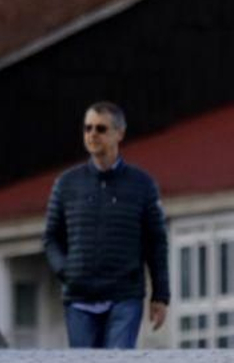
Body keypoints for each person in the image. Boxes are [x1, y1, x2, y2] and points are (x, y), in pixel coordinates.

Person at [42, 102, 170, 349]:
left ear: (119, 134)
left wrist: (161, 296)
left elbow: (156, 242)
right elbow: (50, 238)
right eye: (87, 128)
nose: (92, 134)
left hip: (124, 296)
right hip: (79, 298)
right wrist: (66, 271)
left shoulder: (141, 185)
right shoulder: (67, 184)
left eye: (101, 128)